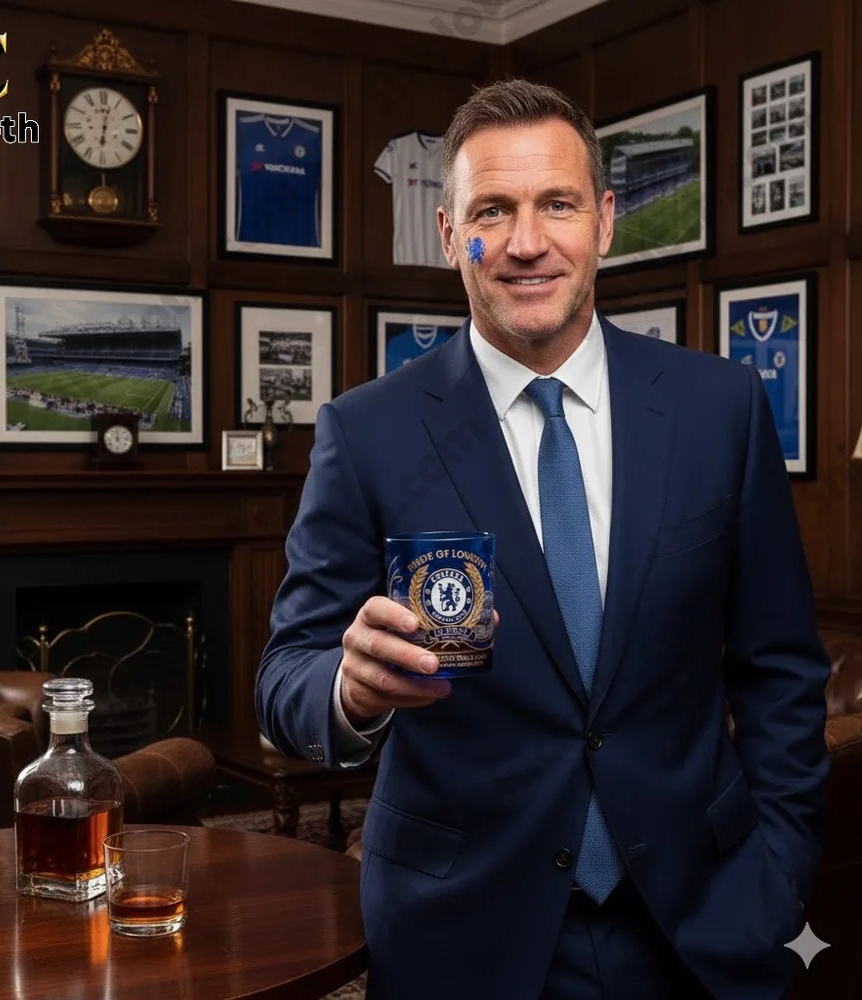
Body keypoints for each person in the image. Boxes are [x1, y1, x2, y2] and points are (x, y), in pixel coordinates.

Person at [254, 78, 829, 999]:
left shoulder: (718, 408)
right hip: (464, 931)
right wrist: (349, 691)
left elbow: (782, 672)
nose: (525, 242)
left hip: (700, 920)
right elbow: (286, 676)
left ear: (603, 221)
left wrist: (777, 875)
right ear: (450, 236)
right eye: (492, 210)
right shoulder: (368, 432)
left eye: (556, 204)